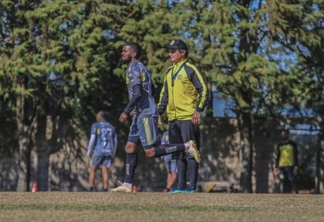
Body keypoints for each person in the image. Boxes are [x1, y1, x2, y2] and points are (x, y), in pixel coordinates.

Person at [111, 42, 200, 192]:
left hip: (145, 114)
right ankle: (127, 184)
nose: (122, 53)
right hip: (139, 112)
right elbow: (147, 91)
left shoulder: (134, 68)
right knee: (130, 147)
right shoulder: (137, 67)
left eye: (125, 51)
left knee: (150, 152)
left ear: (133, 54)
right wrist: (136, 108)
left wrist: (126, 110)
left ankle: (187, 146)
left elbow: (138, 93)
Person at [158, 39, 209, 193]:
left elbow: (204, 90)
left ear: (183, 52)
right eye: (169, 50)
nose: (170, 53)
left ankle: (191, 186)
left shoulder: (190, 69)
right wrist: (159, 112)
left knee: (191, 151)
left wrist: (198, 110)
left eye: (173, 51)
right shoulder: (169, 71)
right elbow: (164, 94)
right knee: (178, 152)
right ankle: (180, 186)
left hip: (188, 117)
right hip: (173, 118)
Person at [87, 111, 117, 192]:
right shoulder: (111, 127)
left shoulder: (96, 126)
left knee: (93, 169)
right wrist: (113, 153)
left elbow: (92, 139)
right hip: (108, 151)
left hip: (99, 150)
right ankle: (105, 189)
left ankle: (91, 188)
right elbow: (115, 141)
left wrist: (89, 152)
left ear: (99, 117)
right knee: (105, 170)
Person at [273, 129, 299, 194]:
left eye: (284, 134)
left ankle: (296, 192)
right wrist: (276, 167)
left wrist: (296, 166)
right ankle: (284, 193)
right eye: (282, 134)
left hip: (290, 165)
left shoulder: (293, 144)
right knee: (282, 179)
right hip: (281, 166)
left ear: (288, 135)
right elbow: (278, 156)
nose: (283, 136)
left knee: (291, 179)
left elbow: (296, 155)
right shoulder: (280, 145)